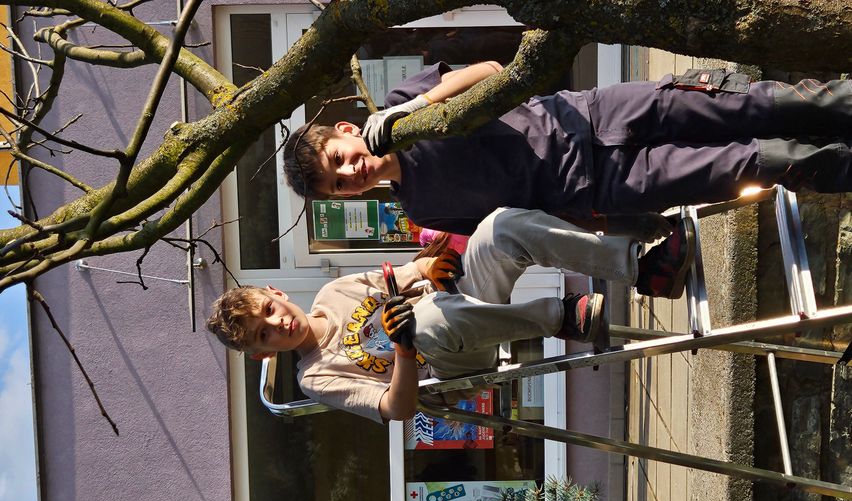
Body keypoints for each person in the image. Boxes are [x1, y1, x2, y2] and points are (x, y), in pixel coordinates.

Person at [206, 207, 695, 422]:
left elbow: (410, 272)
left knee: (499, 228)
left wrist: (431, 263)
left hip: (457, 306)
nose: (278, 324)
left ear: (274, 292)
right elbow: (396, 410)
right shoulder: (317, 376)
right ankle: (559, 317)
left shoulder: (334, 292)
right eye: (264, 336)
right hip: (450, 367)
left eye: (269, 311)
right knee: (426, 324)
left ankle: (639, 270)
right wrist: (401, 348)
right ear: (260, 356)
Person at [283, 62, 852, 236]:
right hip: (605, 184)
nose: (351, 174)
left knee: (748, 105)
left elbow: (493, 71)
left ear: (347, 132)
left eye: (338, 160)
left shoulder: (405, 98)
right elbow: (518, 223)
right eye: (339, 186)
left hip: (597, 113)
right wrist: (619, 229)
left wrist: (415, 109)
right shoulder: (422, 210)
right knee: (757, 164)